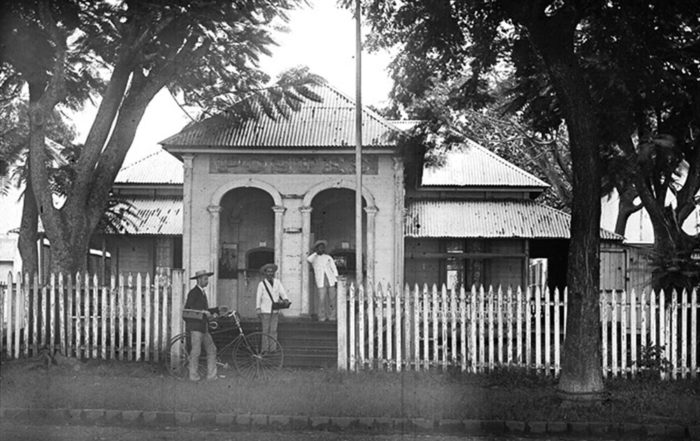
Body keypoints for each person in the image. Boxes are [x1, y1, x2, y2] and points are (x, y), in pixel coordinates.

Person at [183, 269, 224, 381]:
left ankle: (211, 376)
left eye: (207, 279)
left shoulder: (202, 293)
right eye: (205, 279)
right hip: (196, 327)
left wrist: (217, 309)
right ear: (199, 280)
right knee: (196, 352)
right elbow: (188, 309)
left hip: (203, 327)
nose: (207, 281)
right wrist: (203, 312)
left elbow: (205, 310)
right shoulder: (193, 292)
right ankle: (193, 376)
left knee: (212, 350)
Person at [255, 263, 289, 352]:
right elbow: (258, 297)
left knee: (273, 330)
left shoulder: (277, 282)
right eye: (268, 272)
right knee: (265, 330)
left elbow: (282, 293)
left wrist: (285, 299)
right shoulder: (261, 284)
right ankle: (265, 349)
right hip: (265, 310)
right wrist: (258, 308)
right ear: (265, 273)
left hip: (275, 309)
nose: (270, 273)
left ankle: (273, 349)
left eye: (271, 272)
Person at [306, 239, 339, 321]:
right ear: (317, 248)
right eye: (320, 247)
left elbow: (334, 268)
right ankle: (322, 316)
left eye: (323, 247)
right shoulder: (314, 257)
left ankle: (332, 316)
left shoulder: (328, 257)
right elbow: (308, 260)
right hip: (321, 281)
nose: (322, 249)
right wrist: (316, 252)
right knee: (322, 299)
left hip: (331, 280)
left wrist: (336, 280)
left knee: (332, 299)